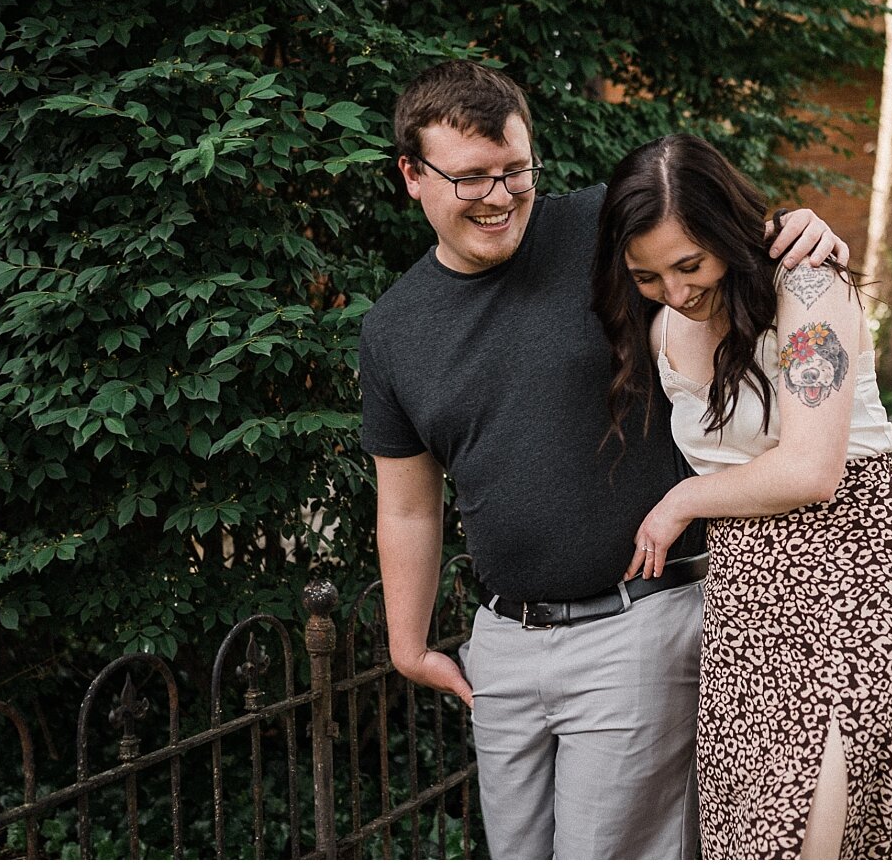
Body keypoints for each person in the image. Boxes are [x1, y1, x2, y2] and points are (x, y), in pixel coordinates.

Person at [358, 60, 847, 859]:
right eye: (471, 177)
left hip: (635, 624)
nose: (500, 195)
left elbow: (716, 242)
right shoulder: (392, 330)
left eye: (516, 170)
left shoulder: (598, 228)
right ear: (412, 175)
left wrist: (801, 229)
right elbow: (409, 503)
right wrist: (408, 646)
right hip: (502, 645)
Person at [590, 133, 892, 860]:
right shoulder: (659, 328)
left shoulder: (809, 289)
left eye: (690, 264)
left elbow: (812, 470)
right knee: (749, 834)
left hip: (851, 583)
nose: (676, 291)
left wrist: (682, 502)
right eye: (648, 277)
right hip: (746, 597)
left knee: (808, 827)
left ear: (725, 232)